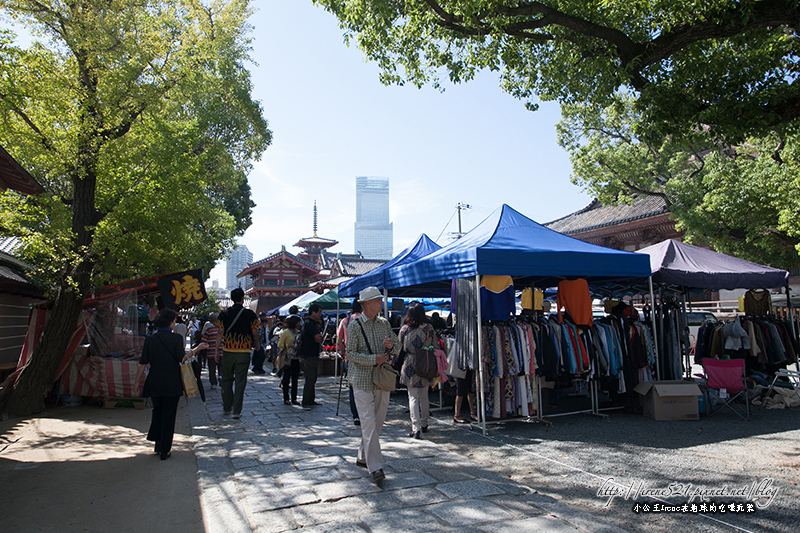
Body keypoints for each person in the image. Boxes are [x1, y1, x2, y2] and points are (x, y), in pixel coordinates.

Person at [346, 286, 400, 483]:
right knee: (368, 422)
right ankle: (375, 466)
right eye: (378, 300)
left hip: (381, 379)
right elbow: (350, 354)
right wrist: (373, 359)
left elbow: (397, 344)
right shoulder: (353, 326)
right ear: (368, 303)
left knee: (376, 423)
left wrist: (391, 346)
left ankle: (362, 455)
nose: (381, 303)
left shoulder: (384, 324)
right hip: (361, 379)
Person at [139, 308, 207, 460]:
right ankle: (165, 449)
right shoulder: (176, 338)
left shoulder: (150, 340)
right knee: (169, 415)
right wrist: (198, 348)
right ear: (171, 322)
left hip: (155, 380)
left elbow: (143, 363)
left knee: (157, 412)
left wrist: (137, 381)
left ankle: (157, 444)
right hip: (172, 381)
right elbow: (182, 359)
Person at [215, 288, 260, 419]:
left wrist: (216, 349)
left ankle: (226, 407)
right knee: (240, 381)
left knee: (226, 379)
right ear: (242, 299)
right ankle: (236, 410)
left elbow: (220, 332)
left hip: (228, 351)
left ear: (231, 299)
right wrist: (256, 344)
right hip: (244, 351)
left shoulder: (224, 313)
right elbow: (255, 332)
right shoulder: (250, 314)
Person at [398, 303, 437, 439]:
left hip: (409, 363)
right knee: (424, 395)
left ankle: (416, 427)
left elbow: (399, 348)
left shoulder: (404, 329)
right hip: (425, 363)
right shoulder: (429, 328)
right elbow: (435, 346)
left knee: (413, 396)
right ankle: (425, 423)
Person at [337, 300, 362, 425]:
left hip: (349, 356)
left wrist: (343, 352)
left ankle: (355, 414)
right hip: (363, 356)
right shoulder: (364, 320)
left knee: (352, 386)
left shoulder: (344, 321)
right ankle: (364, 412)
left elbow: (339, 339)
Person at [300, 303, 324, 408]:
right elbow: (318, 338)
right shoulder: (309, 324)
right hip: (308, 354)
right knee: (309, 378)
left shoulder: (313, 324)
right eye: (319, 312)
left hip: (313, 353)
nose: (320, 315)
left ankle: (311, 399)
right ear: (313, 312)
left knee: (313, 378)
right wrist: (320, 336)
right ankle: (306, 401)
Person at [279, 315, 302, 405]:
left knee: (295, 379)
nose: (299, 324)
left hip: (296, 358)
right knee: (286, 378)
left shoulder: (298, 333)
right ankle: (286, 398)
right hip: (287, 358)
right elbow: (280, 344)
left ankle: (294, 398)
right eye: (298, 322)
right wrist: (289, 345)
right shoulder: (285, 332)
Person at [201, 314, 220, 388]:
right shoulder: (222, 329)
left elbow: (204, 340)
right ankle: (221, 377)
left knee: (212, 368)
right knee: (221, 367)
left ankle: (213, 383)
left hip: (211, 352)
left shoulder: (209, 329)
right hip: (221, 352)